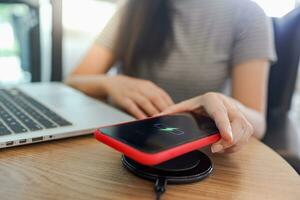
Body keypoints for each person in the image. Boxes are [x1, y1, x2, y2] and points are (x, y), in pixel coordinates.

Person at [66, 0, 277, 154]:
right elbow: (72, 82)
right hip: (120, 148)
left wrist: (224, 105)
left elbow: (258, 122)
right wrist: (112, 83)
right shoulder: (132, 8)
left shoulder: (247, 14)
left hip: (203, 155)